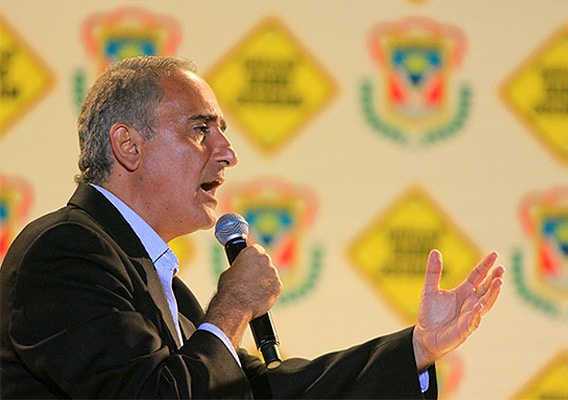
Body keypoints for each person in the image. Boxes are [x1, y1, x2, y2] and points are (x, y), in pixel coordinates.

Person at [0, 56, 504, 399]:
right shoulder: (63, 251)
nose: (228, 153)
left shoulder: (151, 274)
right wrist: (235, 304)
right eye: (201, 129)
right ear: (128, 145)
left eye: (222, 131)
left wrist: (418, 348)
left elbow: (259, 392)